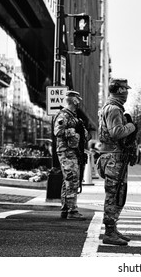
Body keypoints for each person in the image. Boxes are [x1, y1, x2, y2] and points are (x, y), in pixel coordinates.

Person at [97, 78, 137, 246]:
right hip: (114, 158)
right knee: (114, 195)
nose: (127, 93)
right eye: (125, 89)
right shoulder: (114, 109)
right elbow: (116, 133)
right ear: (120, 91)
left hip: (112, 156)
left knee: (117, 193)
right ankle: (109, 232)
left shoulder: (111, 108)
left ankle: (112, 228)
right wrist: (132, 127)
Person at [53, 90, 89, 220]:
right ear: (74, 100)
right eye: (78, 99)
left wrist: (82, 132)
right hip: (66, 152)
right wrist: (74, 132)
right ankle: (72, 211)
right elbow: (57, 131)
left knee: (68, 180)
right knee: (72, 180)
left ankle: (66, 209)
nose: (79, 101)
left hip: (74, 152)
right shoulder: (63, 115)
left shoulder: (75, 117)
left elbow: (86, 136)